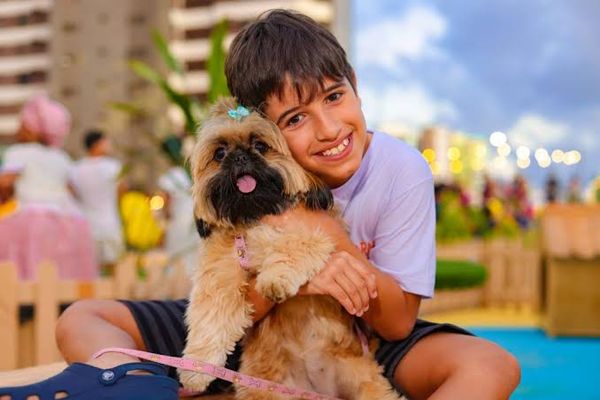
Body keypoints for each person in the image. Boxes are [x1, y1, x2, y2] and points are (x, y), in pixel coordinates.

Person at [1, 10, 520, 400]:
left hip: (362, 338)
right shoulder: (252, 183)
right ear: (266, 130)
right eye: (295, 119)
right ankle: (149, 389)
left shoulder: (401, 170)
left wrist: (333, 245)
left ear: (355, 87)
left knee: (491, 366)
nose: (328, 130)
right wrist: (298, 277)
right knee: (80, 317)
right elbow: (230, 303)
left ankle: (136, 383)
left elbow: (399, 323)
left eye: (334, 97)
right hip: (239, 319)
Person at [0, 93, 97, 281]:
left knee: (27, 268)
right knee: (62, 271)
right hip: (69, 219)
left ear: (31, 129)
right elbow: (72, 189)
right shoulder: (62, 157)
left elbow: (5, 181)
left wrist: (6, 196)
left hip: (31, 218)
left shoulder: (19, 153)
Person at [70, 130, 126, 273]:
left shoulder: (75, 168)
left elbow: (72, 193)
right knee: (115, 269)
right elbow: (121, 192)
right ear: (98, 144)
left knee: (88, 269)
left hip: (85, 225)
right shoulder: (113, 166)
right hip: (110, 224)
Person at [157, 137, 198, 276]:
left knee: (176, 252)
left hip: (178, 218)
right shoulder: (190, 172)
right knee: (192, 252)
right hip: (193, 215)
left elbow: (166, 201)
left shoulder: (168, 176)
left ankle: (175, 281)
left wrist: (164, 216)